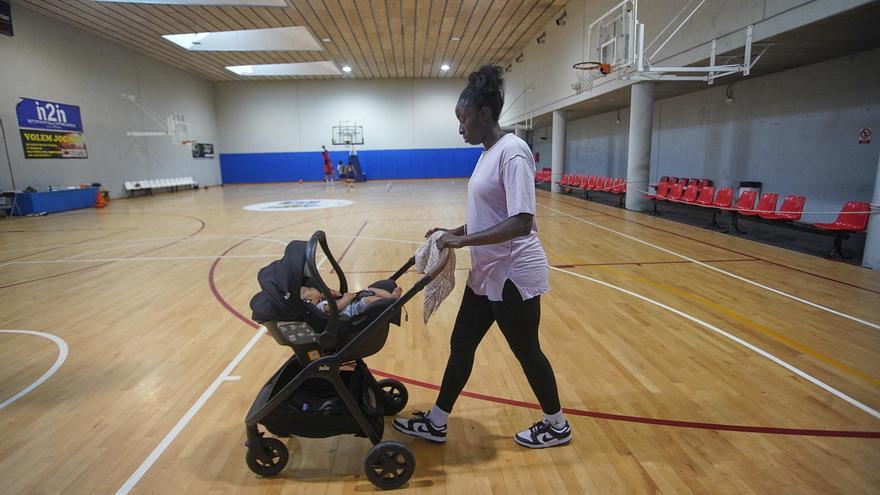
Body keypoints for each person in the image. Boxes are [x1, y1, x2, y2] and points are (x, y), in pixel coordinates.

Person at [393, 65, 571, 449]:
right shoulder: (488, 153)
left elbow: (522, 221)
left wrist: (465, 241)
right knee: (462, 343)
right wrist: (453, 231)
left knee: (526, 351)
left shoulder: (513, 152)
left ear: (484, 114)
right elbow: (489, 213)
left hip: (512, 272)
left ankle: (557, 425)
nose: (460, 127)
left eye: (463, 118)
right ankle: (437, 421)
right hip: (488, 271)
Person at [300, 284, 402, 318]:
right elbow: (337, 307)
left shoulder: (323, 298)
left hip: (353, 301)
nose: (313, 288)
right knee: (368, 300)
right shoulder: (320, 307)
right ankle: (389, 303)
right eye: (310, 289)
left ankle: (391, 297)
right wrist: (347, 298)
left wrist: (334, 293)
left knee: (370, 290)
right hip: (352, 311)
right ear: (310, 299)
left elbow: (339, 295)